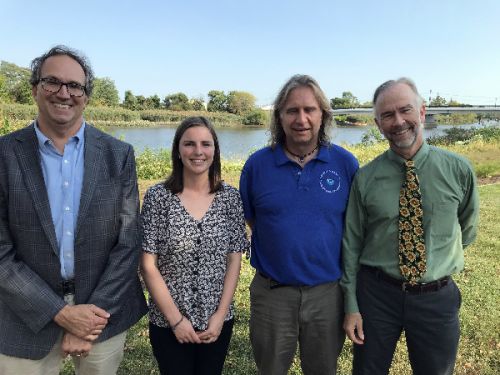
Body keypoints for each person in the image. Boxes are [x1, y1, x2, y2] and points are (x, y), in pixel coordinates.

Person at [0, 45, 147, 375]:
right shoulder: (4, 154)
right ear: (35, 88)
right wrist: (60, 313)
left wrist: (91, 315)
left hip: (102, 317)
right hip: (21, 314)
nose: (64, 93)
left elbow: (128, 241)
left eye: (75, 86)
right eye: (52, 82)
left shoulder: (118, 154)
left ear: (86, 95)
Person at [341, 78, 479, 375]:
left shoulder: (458, 170)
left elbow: (467, 229)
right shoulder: (365, 179)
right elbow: (351, 245)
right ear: (378, 123)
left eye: (405, 110)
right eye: (387, 115)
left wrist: (438, 257)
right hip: (376, 296)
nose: (398, 121)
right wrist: (351, 304)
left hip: (436, 298)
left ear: (422, 112)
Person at [239, 74, 359, 374]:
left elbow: (355, 228)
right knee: (271, 369)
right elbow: (252, 218)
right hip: (272, 294)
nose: (301, 118)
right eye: (292, 110)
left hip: (327, 295)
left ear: (323, 115)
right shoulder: (257, 165)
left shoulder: (345, 164)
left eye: (310, 109)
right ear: (279, 117)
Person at [140, 116, 249, 375]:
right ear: (178, 150)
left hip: (216, 320)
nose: (198, 151)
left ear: (215, 151)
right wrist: (176, 321)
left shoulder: (230, 198)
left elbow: (234, 258)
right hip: (169, 321)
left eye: (205, 144)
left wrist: (220, 315)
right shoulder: (158, 197)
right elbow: (147, 264)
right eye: (189, 144)